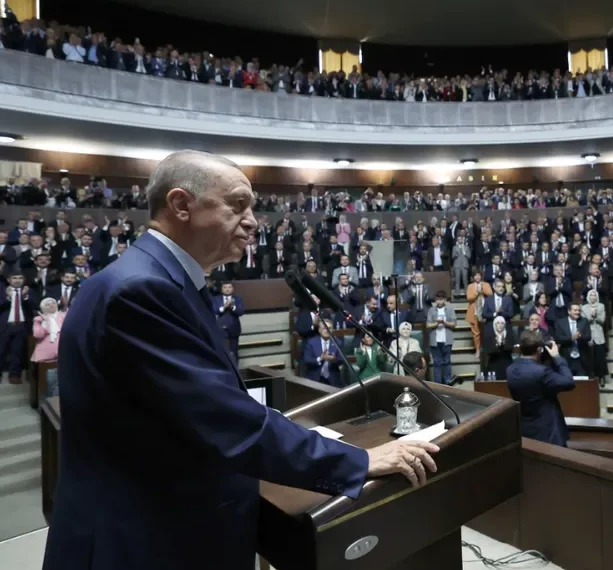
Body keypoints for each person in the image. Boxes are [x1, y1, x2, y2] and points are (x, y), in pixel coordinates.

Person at [45, 150, 438, 570]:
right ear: (181, 205)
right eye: (237, 204)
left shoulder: (152, 279)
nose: (252, 220)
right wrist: (360, 461)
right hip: (142, 541)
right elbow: (222, 422)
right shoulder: (142, 291)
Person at [506, 330, 575, 446]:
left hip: (525, 431)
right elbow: (569, 382)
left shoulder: (510, 370)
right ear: (539, 350)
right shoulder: (542, 372)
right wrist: (557, 357)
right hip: (548, 433)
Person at [426, 291, 456, 384]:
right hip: (435, 340)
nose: (439, 301)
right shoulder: (431, 310)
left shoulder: (450, 310)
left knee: (447, 361)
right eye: (438, 299)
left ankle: (448, 382)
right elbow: (428, 325)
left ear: (445, 300)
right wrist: (437, 323)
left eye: (441, 299)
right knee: (437, 363)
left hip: (447, 340)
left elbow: (454, 324)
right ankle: (438, 383)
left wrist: (444, 323)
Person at [212, 281, 244, 363]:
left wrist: (232, 307)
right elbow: (214, 310)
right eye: (225, 287)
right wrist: (224, 307)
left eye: (229, 287)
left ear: (232, 289)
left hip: (234, 328)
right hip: (221, 328)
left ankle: (235, 370)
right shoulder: (216, 298)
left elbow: (241, 312)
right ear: (221, 289)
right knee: (221, 351)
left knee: (234, 352)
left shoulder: (238, 298)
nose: (227, 289)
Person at [583, 289, 608, 385]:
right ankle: (591, 376)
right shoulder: (584, 307)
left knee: (600, 357)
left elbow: (602, 320)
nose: (593, 297)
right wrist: (591, 316)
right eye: (591, 295)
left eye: (594, 295)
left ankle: (602, 376)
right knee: (589, 357)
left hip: (598, 334)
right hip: (588, 334)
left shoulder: (601, 306)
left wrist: (595, 316)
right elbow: (584, 321)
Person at [483, 315, 515, 381]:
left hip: (507, 362)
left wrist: (501, 343)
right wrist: (497, 344)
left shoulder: (509, 335)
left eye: (502, 323)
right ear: (494, 324)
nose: (500, 325)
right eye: (498, 323)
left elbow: (510, 349)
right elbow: (488, 351)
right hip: (493, 363)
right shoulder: (489, 336)